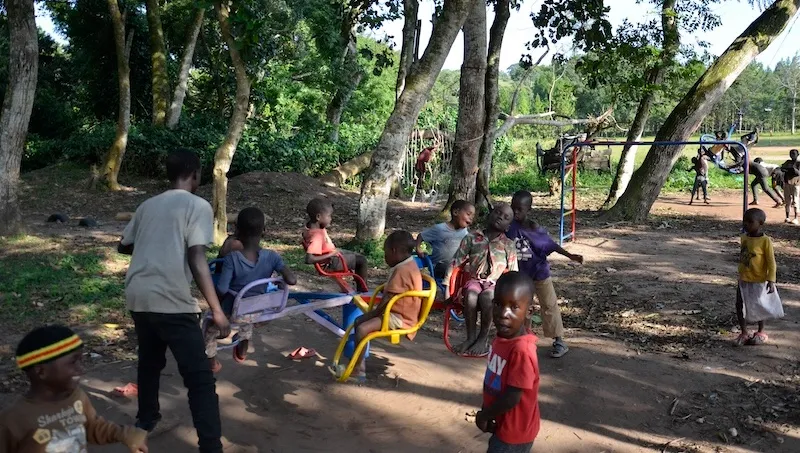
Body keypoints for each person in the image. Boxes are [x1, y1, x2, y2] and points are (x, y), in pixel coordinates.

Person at [118, 149, 226, 452]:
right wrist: (217, 311)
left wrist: (156, 241)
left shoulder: (148, 205)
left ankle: (146, 420)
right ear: (195, 174)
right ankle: (211, 447)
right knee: (199, 378)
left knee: (150, 362)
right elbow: (197, 256)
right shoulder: (198, 206)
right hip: (171, 299)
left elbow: (123, 245)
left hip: (139, 296)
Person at [0, 325, 148, 452]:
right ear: (41, 371)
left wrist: (125, 434)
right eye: (72, 362)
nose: (81, 369)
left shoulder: (77, 397)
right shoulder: (13, 420)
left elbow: (92, 426)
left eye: (80, 361)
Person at [204, 207, 298, 372]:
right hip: (257, 311)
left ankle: (212, 361)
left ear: (237, 231)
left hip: (231, 312)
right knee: (246, 313)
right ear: (264, 231)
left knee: (208, 326)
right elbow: (291, 279)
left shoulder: (232, 259)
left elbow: (222, 289)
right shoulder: (272, 257)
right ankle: (243, 348)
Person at [333, 230, 423, 382]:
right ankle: (357, 363)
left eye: (385, 253)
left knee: (362, 327)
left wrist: (372, 314)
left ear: (394, 251)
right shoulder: (408, 264)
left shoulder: (402, 270)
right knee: (359, 322)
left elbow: (388, 298)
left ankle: (358, 370)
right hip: (398, 312)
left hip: (399, 317)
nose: (384, 257)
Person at [508, 190, 583, 358]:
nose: (516, 212)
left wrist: (570, 256)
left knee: (549, 305)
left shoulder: (535, 229)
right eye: (513, 208)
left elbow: (552, 246)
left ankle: (559, 341)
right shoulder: (509, 225)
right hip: (520, 276)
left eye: (520, 209)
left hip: (540, 274)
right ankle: (521, 338)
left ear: (529, 210)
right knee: (521, 306)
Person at [475, 272, 540, 453]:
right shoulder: (502, 338)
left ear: (529, 311)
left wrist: (484, 415)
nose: (503, 314)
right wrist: (488, 410)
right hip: (502, 423)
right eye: (498, 304)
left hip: (514, 434)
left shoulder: (522, 350)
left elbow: (512, 396)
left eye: (514, 307)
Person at [445, 204, 518, 356]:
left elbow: (513, 273)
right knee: (471, 295)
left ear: (507, 226)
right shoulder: (472, 237)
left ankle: (482, 338)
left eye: (505, 218)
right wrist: (446, 286)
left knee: (487, 297)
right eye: (497, 213)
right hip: (474, 280)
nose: (500, 217)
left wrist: (512, 297)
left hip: (495, 284)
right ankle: (470, 337)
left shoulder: (508, 245)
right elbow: (455, 262)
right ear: (489, 214)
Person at [735, 208, 784, 346]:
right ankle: (744, 332)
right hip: (744, 278)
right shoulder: (744, 238)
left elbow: (771, 261)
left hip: (759, 279)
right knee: (740, 304)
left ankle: (761, 331)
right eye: (744, 221)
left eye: (750, 222)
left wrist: (771, 279)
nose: (746, 224)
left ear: (761, 223)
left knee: (759, 305)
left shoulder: (765, 241)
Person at [302, 198, 369, 292]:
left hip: (332, 256)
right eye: (329, 216)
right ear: (318, 217)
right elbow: (309, 259)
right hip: (331, 262)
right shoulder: (317, 236)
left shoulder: (311, 227)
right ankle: (362, 291)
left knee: (357, 255)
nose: (331, 219)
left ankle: (360, 287)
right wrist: (331, 254)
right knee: (362, 260)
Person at [415, 199, 476, 279]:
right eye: (468, 214)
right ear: (455, 213)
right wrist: (418, 248)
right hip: (439, 265)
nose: (471, 218)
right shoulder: (440, 229)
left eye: (472, 216)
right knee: (447, 266)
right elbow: (421, 236)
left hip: (456, 266)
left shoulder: (465, 233)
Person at [780, 149, 800, 224]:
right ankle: (787, 217)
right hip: (787, 183)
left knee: (795, 201)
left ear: (797, 155)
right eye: (791, 153)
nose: (792, 155)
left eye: (794, 154)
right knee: (787, 201)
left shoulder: (798, 163)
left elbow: (797, 173)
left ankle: (795, 218)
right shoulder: (788, 162)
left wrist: (789, 169)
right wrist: (790, 169)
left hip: (796, 184)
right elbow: (782, 168)